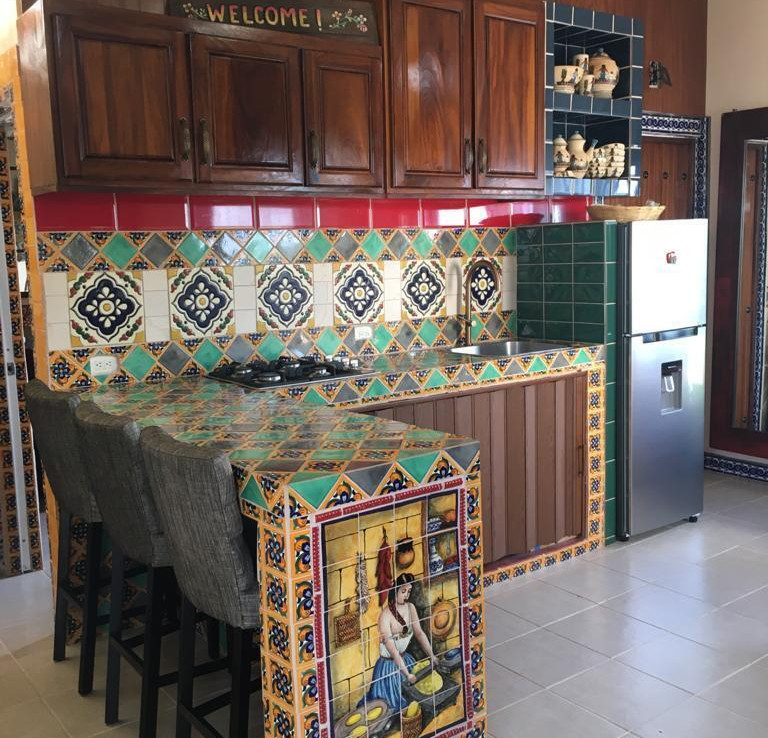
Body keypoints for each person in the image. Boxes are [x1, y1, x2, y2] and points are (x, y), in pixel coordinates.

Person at [363, 573, 439, 710]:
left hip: (406, 660)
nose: (406, 595)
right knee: (396, 707)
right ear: (395, 591)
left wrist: (432, 655)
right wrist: (407, 675)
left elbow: (419, 633)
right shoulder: (385, 616)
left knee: (418, 700)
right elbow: (393, 651)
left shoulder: (411, 608)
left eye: (409, 591)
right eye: (403, 591)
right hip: (389, 667)